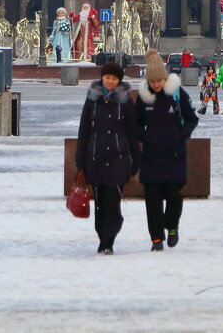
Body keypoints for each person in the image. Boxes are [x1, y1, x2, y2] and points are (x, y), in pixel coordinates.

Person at [74, 61, 139, 255]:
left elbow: (132, 132)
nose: (110, 81)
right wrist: (80, 160)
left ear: (119, 80)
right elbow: (84, 130)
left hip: (118, 158)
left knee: (113, 201)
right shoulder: (93, 99)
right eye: (107, 77)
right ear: (102, 78)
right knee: (100, 203)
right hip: (96, 157)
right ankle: (102, 238)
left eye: (114, 78)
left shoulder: (126, 101)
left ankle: (108, 240)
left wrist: (136, 158)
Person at [136, 50, 198, 252]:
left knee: (174, 196)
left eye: (159, 80)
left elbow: (191, 118)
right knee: (152, 200)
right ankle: (156, 239)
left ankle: (172, 227)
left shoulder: (177, 93)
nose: (156, 85)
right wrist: (146, 137)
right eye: (152, 82)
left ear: (164, 78)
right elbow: (136, 124)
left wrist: (182, 135)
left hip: (174, 154)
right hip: (152, 156)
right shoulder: (144, 97)